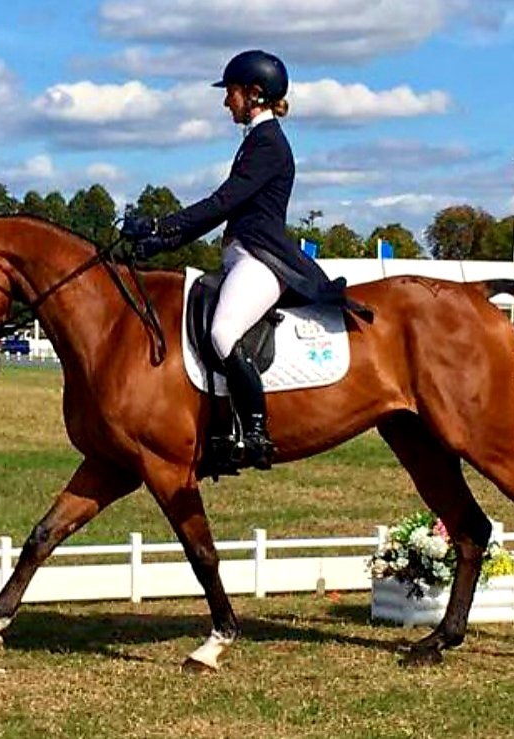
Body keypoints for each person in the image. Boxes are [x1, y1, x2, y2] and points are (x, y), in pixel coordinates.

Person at [121, 49, 370, 471]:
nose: (226, 102)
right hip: (243, 257)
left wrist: (159, 224)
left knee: (223, 332)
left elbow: (222, 203)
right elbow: (223, 213)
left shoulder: (268, 143)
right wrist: (159, 244)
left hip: (263, 260)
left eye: (232, 92)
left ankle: (255, 432)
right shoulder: (255, 140)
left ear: (255, 94)